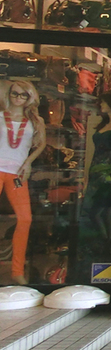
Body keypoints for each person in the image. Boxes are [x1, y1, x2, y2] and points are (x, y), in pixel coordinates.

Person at [74, 90, 111, 283]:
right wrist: (87, 174)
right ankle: (104, 242)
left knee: (103, 210)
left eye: (104, 102)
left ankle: (107, 241)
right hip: (96, 170)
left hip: (109, 172)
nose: (101, 105)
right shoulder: (103, 124)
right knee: (99, 210)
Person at [1, 81, 46, 285]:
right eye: (15, 94)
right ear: (8, 95)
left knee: (25, 219)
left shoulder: (35, 120)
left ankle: (17, 271)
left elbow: (41, 143)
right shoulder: (0, 116)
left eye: (23, 95)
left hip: (17, 173)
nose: (18, 98)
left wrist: (28, 162)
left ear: (30, 97)